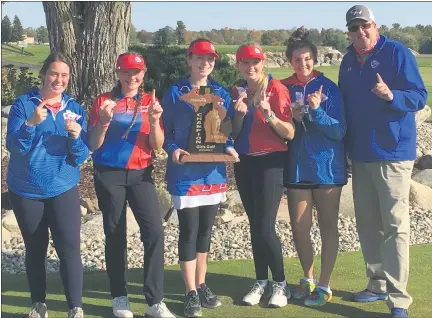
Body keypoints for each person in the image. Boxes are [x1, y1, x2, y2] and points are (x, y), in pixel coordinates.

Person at [339, 5, 428, 318]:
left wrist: (393, 96)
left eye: (365, 26)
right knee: (367, 224)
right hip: (360, 154)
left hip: (392, 154)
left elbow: (419, 95)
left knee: (394, 227)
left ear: (374, 25)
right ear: (348, 32)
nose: (360, 33)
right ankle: (376, 283)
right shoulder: (348, 61)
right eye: (354, 28)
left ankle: (398, 299)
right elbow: (345, 108)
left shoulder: (397, 53)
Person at [87, 52, 174, 318]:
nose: (131, 77)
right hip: (109, 174)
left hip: (141, 174)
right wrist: (103, 121)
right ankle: (119, 296)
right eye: (126, 72)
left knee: (154, 233)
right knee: (115, 234)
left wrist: (157, 121)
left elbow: (157, 146)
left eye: (136, 72)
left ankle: (154, 301)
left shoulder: (150, 101)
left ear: (143, 74)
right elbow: (93, 145)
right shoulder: (104, 101)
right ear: (118, 73)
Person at [6, 53, 89, 318]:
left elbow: (80, 156)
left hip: (63, 188)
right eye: (54, 74)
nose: (59, 80)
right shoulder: (23, 104)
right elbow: (14, 148)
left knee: (69, 248)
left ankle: (75, 307)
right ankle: (39, 304)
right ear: (44, 74)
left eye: (64, 75)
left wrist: (75, 137)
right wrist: (31, 123)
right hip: (27, 190)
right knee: (35, 248)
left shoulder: (74, 108)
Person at [161, 38, 238, 318]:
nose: (205, 63)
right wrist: (173, 149)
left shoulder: (220, 93)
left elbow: (224, 130)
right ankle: (190, 291)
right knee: (189, 231)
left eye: (210, 59)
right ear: (189, 59)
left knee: (206, 231)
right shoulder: (174, 92)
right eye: (200, 58)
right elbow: (165, 132)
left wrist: (229, 146)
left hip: (213, 171)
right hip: (185, 173)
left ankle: (202, 284)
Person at [280, 27, 347, 307]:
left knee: (328, 226)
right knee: (299, 225)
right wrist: (292, 118)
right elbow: (279, 128)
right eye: (297, 60)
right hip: (297, 167)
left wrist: (317, 110)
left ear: (314, 59)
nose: (303, 64)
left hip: (327, 168)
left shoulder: (328, 88)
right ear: (290, 61)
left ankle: (324, 283)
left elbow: (340, 130)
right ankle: (307, 278)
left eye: (307, 59)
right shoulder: (283, 87)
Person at [231, 42, 295, 308]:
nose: (251, 67)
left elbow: (290, 133)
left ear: (263, 62)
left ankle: (280, 283)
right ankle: (261, 281)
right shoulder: (237, 91)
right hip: (244, 163)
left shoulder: (277, 90)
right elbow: (231, 133)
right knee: (254, 223)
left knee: (265, 225)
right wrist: (236, 114)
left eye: (255, 62)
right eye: (245, 62)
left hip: (271, 162)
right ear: (239, 65)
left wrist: (269, 117)